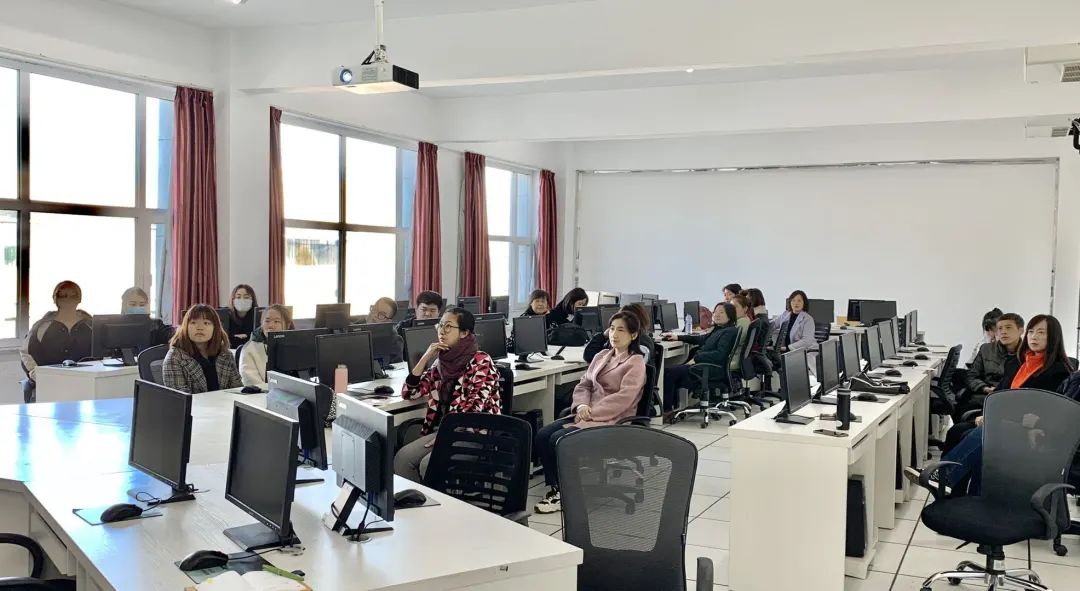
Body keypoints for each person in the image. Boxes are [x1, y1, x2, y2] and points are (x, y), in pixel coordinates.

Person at [909, 314, 1075, 495]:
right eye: (1031, 332)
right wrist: (987, 414)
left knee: (984, 432)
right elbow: (1000, 394)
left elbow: (1048, 409)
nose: (1034, 337)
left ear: (1054, 337)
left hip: (1029, 428)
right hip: (1005, 420)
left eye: (1041, 332)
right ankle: (952, 495)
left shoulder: (1058, 371)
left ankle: (944, 477)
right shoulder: (1018, 362)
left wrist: (994, 418)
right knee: (957, 432)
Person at [533, 311, 646, 514]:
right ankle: (557, 488)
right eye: (612, 329)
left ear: (633, 335)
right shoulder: (602, 356)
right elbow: (584, 385)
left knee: (559, 439)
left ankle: (566, 492)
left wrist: (591, 412)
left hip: (611, 419)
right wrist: (581, 406)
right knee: (542, 435)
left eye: (621, 330)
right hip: (585, 413)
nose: (614, 334)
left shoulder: (635, 362)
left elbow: (624, 398)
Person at [394, 307, 501, 482]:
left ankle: (438, 500)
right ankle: (417, 498)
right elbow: (409, 392)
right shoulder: (441, 363)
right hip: (444, 431)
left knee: (428, 464)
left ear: (464, 333)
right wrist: (425, 357)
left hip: (474, 432)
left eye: (449, 326)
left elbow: (473, 410)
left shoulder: (481, 361)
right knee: (402, 459)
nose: (442, 331)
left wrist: (444, 435)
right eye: (440, 325)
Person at [19, 281, 93, 403]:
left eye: (73, 295)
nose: (67, 299)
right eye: (62, 295)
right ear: (55, 299)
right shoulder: (42, 326)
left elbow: (105, 352)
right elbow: (26, 353)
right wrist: (35, 374)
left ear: (79, 299)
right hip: (50, 385)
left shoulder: (91, 325)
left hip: (86, 384)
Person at [660, 302, 738, 414]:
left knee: (669, 373)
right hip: (706, 365)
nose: (717, 315)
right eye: (716, 311)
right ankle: (673, 407)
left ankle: (667, 411)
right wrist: (678, 337)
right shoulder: (719, 329)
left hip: (710, 368)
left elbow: (719, 354)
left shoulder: (728, 332)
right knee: (674, 371)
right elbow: (701, 339)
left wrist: (696, 358)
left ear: (730, 316)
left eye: (721, 312)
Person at [955, 312, 1023, 420]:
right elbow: (971, 376)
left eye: (1008, 328)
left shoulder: (1027, 355)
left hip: (1011, 402)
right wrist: (985, 388)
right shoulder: (986, 349)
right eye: (1000, 328)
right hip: (984, 397)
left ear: (1021, 330)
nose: (1003, 332)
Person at [162, 304, 243, 394]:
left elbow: (237, 389)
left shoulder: (225, 354)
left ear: (215, 328)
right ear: (185, 327)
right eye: (193, 323)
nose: (199, 328)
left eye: (206, 323)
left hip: (224, 402)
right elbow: (181, 399)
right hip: (196, 404)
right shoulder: (175, 357)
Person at [239, 304, 295, 389]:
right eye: (267, 321)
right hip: (262, 394)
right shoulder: (249, 348)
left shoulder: (294, 347)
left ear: (287, 325)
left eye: (276, 321)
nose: (271, 326)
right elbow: (251, 381)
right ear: (261, 324)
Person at [583, 302, 657, 366]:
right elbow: (589, 356)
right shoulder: (621, 339)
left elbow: (626, 368)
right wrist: (603, 336)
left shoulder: (642, 344)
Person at [225, 284, 258, 349]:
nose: (242, 300)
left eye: (246, 297)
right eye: (238, 297)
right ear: (233, 300)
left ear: (252, 300)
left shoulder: (257, 315)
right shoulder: (225, 315)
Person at [728, 294, 753, 372]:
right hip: (736, 359)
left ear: (745, 308)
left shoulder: (742, 324)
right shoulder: (744, 320)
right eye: (731, 308)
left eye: (735, 307)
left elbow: (730, 344)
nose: (732, 310)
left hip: (731, 361)